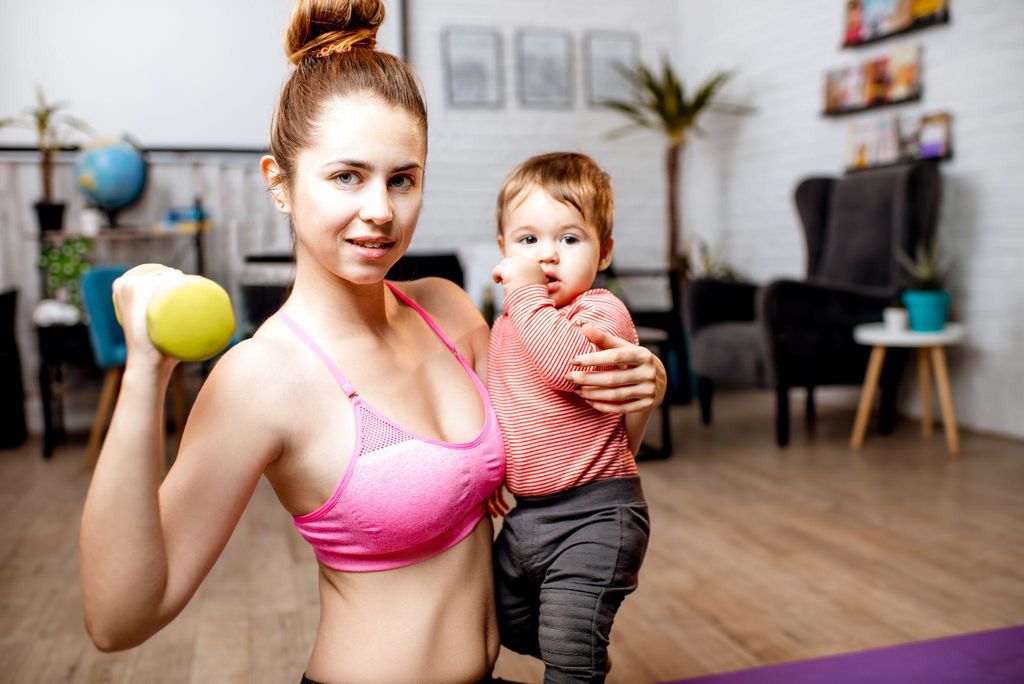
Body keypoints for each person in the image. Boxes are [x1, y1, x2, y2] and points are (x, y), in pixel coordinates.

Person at [78, 2, 666, 682]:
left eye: (403, 178)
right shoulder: (263, 377)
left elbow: (577, 464)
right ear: (281, 184)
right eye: (346, 176)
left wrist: (641, 395)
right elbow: (119, 618)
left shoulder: (446, 311)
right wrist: (146, 371)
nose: (381, 209)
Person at [488, 152, 650, 682]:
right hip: (526, 514)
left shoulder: (599, 311)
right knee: (505, 624)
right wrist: (490, 470)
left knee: (565, 644)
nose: (546, 258)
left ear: (602, 252)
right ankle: (583, 656)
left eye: (569, 239)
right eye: (528, 240)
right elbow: (501, 401)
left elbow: (563, 368)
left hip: (597, 513)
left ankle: (576, 660)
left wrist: (524, 291)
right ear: (503, 250)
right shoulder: (508, 324)